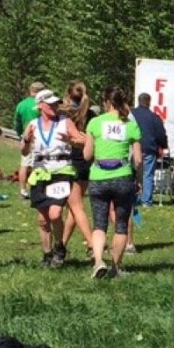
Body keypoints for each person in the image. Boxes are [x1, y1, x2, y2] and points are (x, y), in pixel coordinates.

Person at [82, 86, 141, 279]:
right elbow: (138, 160)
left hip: (99, 177)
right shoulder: (130, 125)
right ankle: (116, 267)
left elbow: (87, 155)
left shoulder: (94, 123)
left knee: (99, 224)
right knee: (121, 225)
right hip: (123, 176)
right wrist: (138, 180)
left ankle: (99, 261)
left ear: (106, 102)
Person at [23, 89, 78, 268]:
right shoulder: (32, 124)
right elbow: (24, 151)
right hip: (40, 171)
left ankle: (60, 246)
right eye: (50, 104)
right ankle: (47, 254)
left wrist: (70, 141)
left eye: (56, 103)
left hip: (62, 170)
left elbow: (82, 140)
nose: (55, 106)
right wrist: (25, 141)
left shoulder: (65, 122)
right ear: (40, 105)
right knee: (42, 218)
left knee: (55, 214)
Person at [62, 82, 98, 262]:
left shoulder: (64, 116)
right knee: (73, 210)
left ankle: (93, 245)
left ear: (68, 96)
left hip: (69, 163)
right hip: (86, 163)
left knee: (76, 207)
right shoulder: (91, 115)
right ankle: (61, 246)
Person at [132, 92, 169, 210]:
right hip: (149, 148)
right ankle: (146, 201)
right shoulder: (154, 117)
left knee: (132, 174)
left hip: (132, 148)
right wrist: (163, 145)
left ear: (138, 101)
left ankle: (131, 199)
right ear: (149, 102)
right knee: (148, 175)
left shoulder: (130, 114)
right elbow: (160, 134)